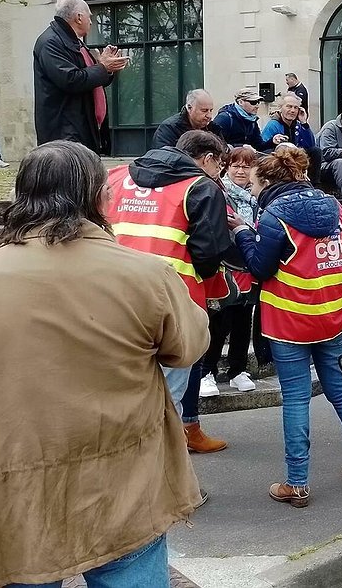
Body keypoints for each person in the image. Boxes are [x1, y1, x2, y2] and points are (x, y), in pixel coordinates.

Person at [0, 141, 208, 588]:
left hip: (14, 489)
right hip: (122, 484)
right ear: (100, 198)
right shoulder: (147, 276)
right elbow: (189, 346)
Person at [232, 148, 342, 507]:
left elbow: (259, 268)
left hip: (289, 322)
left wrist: (242, 234)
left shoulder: (273, 217)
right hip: (331, 318)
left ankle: (297, 482)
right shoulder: (337, 209)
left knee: (296, 398)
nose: (251, 190)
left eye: (253, 184)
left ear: (267, 181)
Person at [105, 129, 239, 455]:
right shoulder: (201, 188)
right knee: (168, 399)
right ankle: (165, 481)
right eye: (220, 166)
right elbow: (209, 253)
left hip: (111, 299)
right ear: (208, 159)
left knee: (123, 394)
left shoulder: (116, 175)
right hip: (175, 304)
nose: (220, 173)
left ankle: (182, 432)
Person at [200, 146, 263, 397]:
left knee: (242, 320)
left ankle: (238, 370)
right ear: (226, 166)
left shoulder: (256, 194)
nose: (240, 170)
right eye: (236, 165)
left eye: (246, 166)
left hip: (249, 265)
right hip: (226, 265)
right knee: (219, 321)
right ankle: (207, 371)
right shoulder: (220, 192)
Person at [33, 0, 127, 153]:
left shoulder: (74, 41)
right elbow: (71, 80)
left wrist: (107, 68)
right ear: (78, 17)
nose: (91, 21)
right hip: (66, 133)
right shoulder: (51, 42)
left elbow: (90, 78)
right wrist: (103, 67)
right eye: (89, 16)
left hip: (83, 128)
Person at [152, 88, 219, 149]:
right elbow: (164, 158)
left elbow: (223, 153)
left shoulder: (213, 128)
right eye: (204, 111)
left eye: (211, 110)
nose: (209, 116)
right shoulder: (169, 128)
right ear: (189, 108)